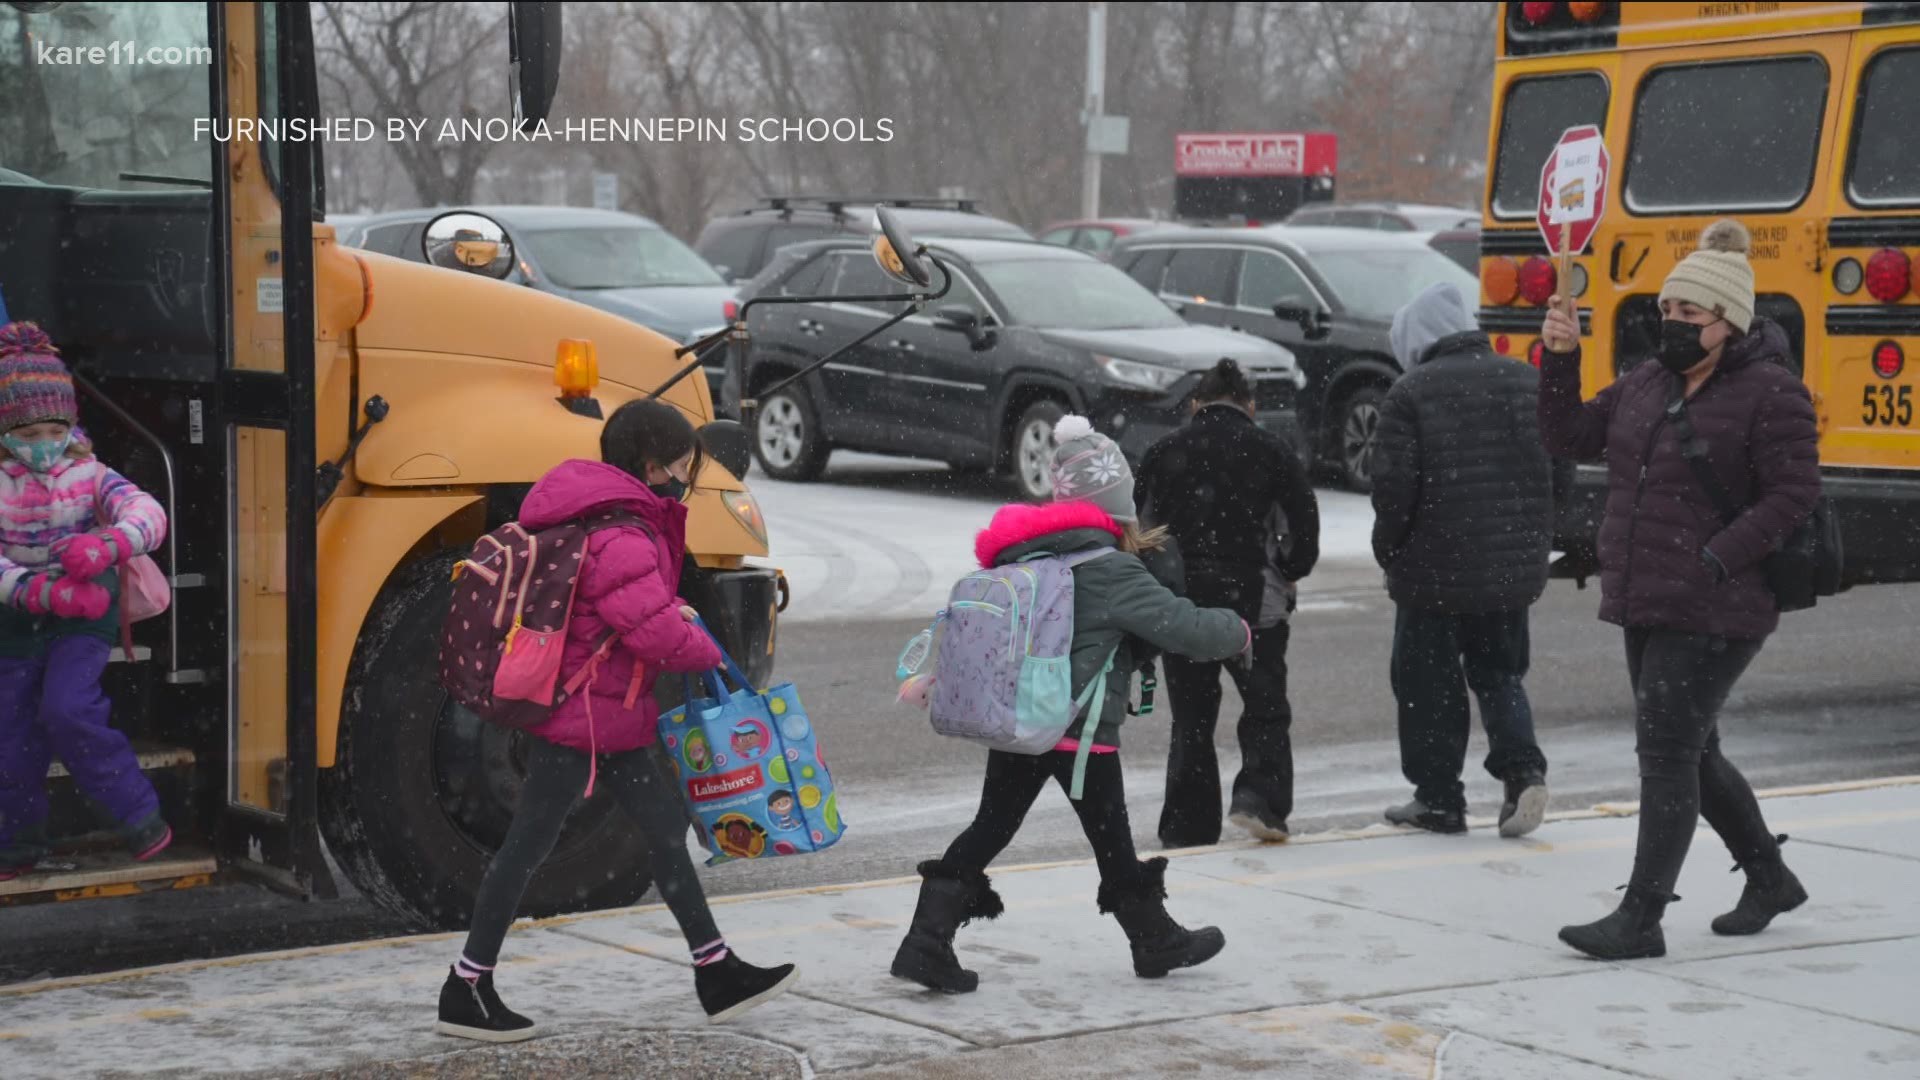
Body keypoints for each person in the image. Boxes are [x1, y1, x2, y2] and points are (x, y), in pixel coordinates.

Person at [438, 399, 798, 1041]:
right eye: (684, 460)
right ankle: (467, 985)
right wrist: (706, 647)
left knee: (662, 831)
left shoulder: (608, 518)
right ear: (654, 465)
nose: (689, 473)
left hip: (611, 713)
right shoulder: (624, 532)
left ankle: (715, 970)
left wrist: (668, 616)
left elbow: (630, 614)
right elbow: (651, 631)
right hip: (585, 717)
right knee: (528, 845)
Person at [890, 416, 1251, 994]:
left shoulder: (1026, 560)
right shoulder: (1112, 570)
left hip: (1019, 723)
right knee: (1110, 838)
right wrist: (1237, 630)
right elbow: (1182, 627)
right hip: (1077, 730)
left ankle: (925, 942)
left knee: (994, 826)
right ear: (1117, 507)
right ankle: (1153, 940)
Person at [1538, 220, 1818, 960]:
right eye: (1668, 311)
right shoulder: (1647, 381)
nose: (1673, 324)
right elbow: (1569, 434)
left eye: (1690, 315)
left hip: (1720, 602)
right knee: (1690, 751)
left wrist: (1717, 558)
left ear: (1730, 322)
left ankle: (1642, 916)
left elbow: (1793, 497)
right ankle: (1769, 875)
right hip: (1649, 592)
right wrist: (1559, 359)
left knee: (1664, 749)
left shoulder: (1772, 394)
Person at [1371, 284, 1553, 838]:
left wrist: (1390, 550)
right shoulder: (1525, 379)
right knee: (1499, 673)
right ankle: (1523, 774)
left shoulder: (1410, 392)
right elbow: (1560, 468)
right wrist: (1536, 538)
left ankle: (1439, 799)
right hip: (1507, 568)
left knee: (1427, 685)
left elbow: (1392, 490)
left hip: (1431, 571)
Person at [0, 322, 172, 882]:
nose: (43, 443)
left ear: (71, 425)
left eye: (54, 428)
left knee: (68, 709)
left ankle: (138, 813)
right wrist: (40, 590)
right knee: (9, 729)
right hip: (17, 619)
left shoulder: (93, 474)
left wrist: (105, 545)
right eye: (28, 432)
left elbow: (148, 516)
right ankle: (17, 838)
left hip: (84, 618)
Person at [1134, 359, 1320, 846]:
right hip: (1255, 607)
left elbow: (1139, 530)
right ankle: (1261, 801)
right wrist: (1292, 570)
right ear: (1250, 407)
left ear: (1195, 405)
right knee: (1264, 706)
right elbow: (1303, 535)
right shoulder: (1274, 452)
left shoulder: (1163, 453)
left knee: (1192, 718)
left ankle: (1187, 825)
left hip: (1182, 608)